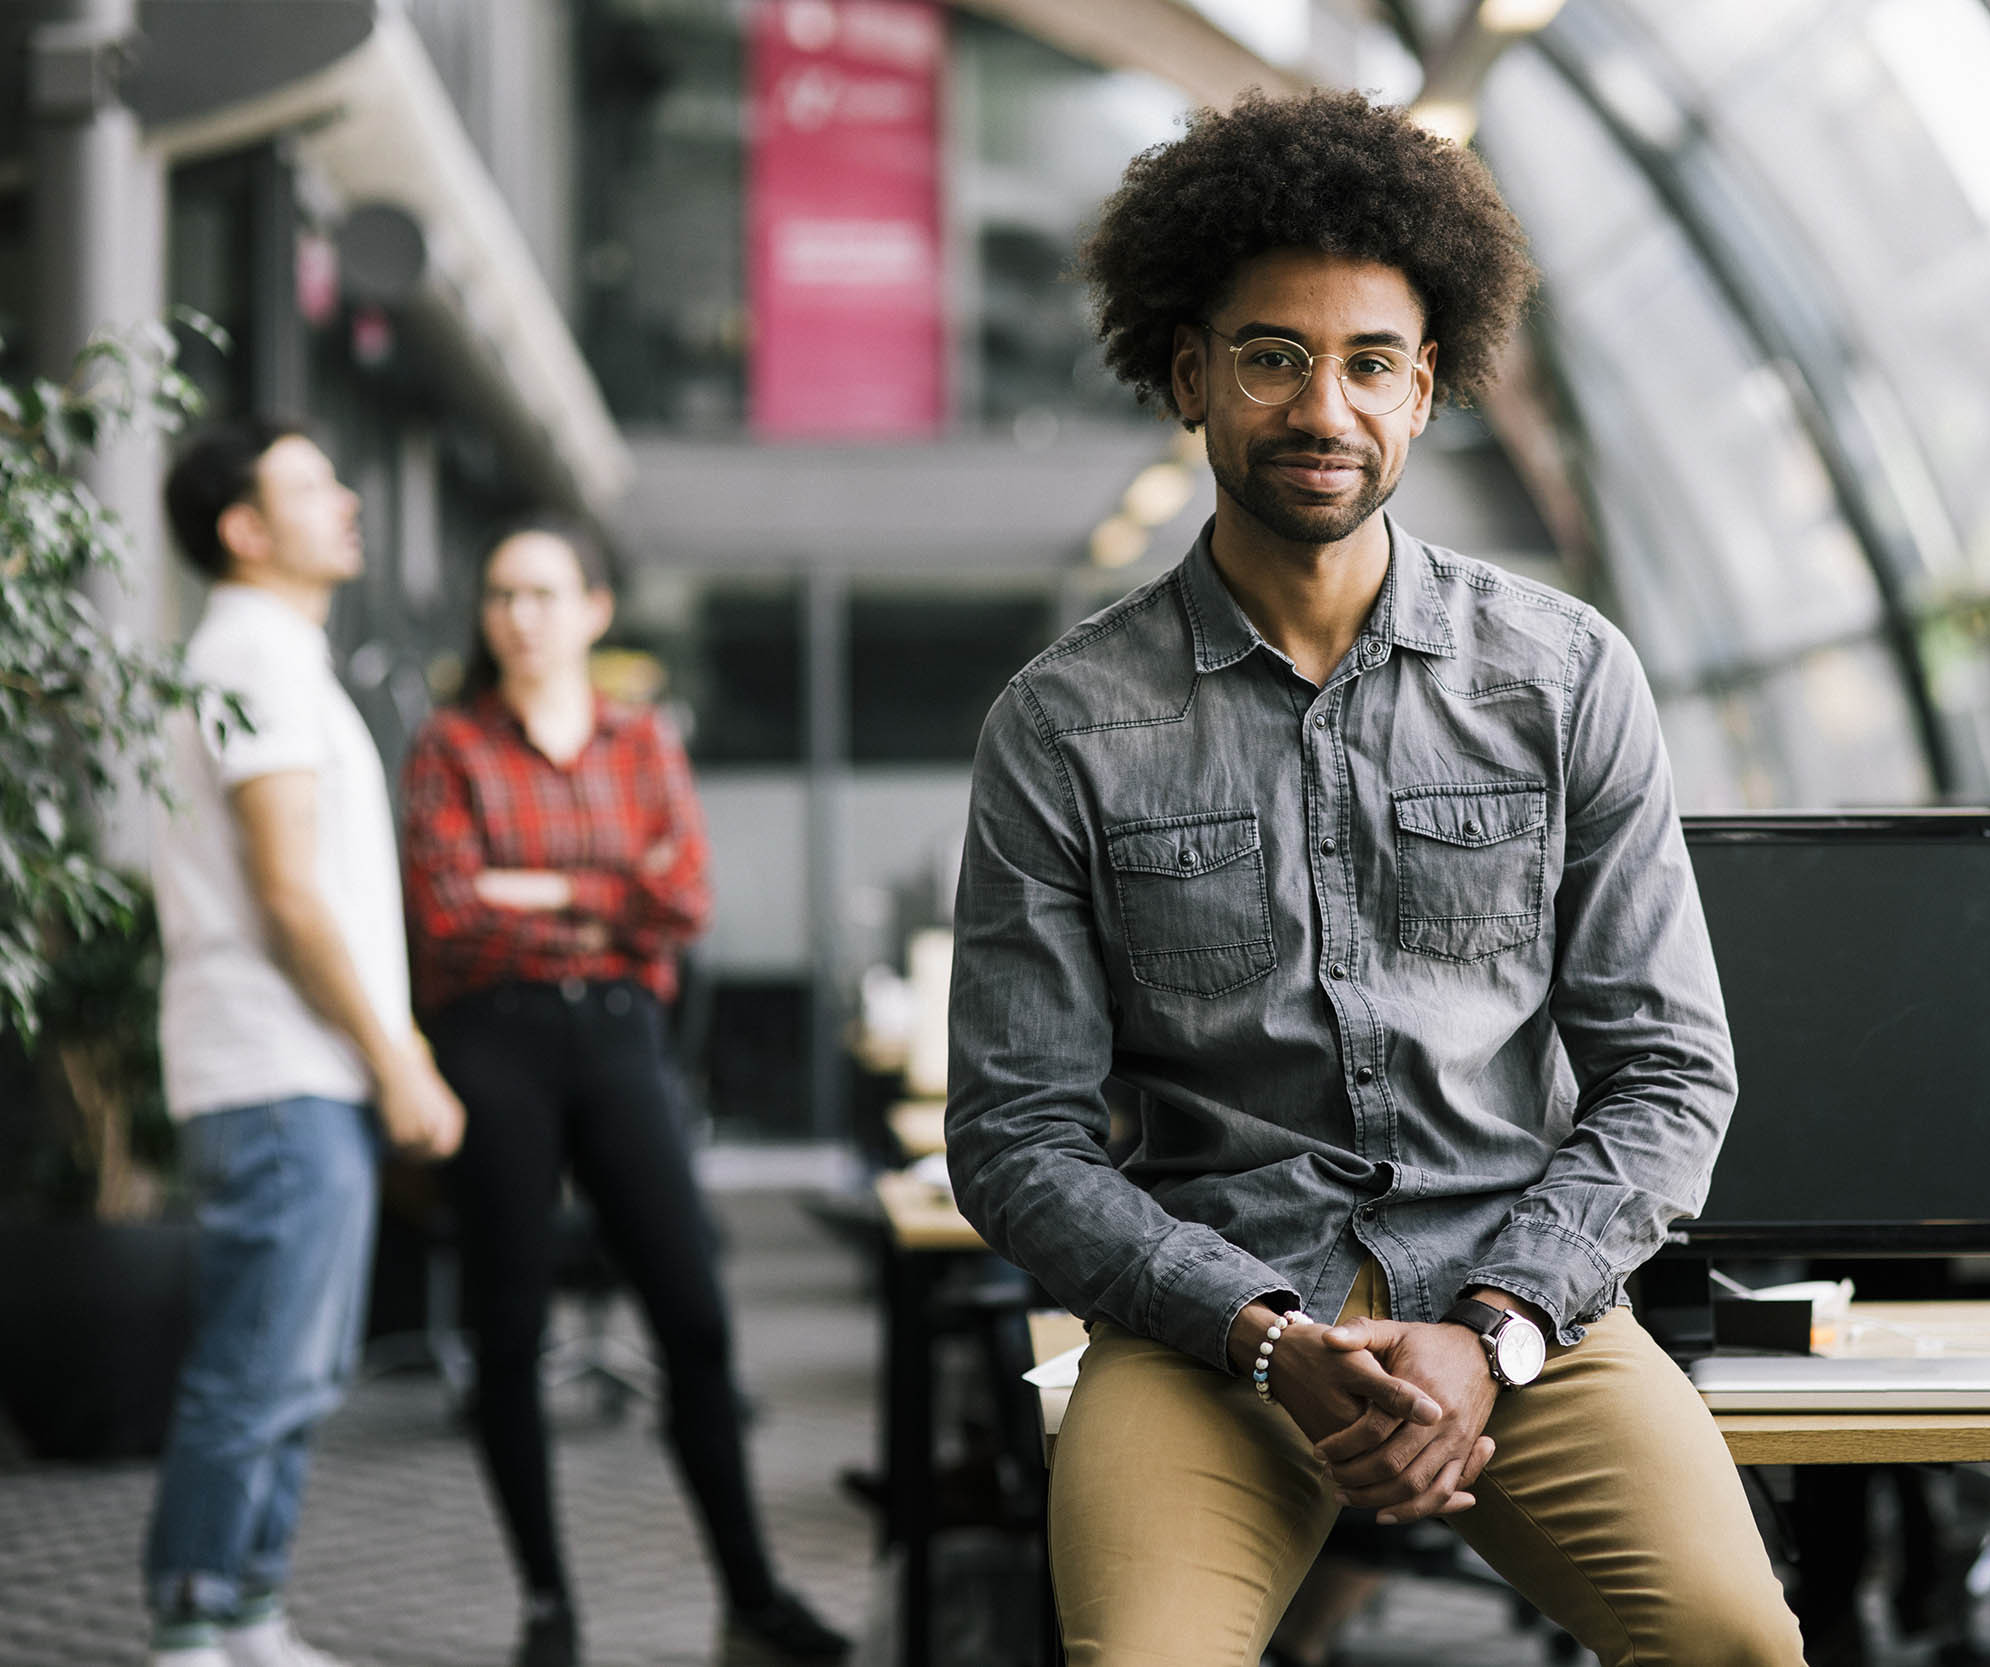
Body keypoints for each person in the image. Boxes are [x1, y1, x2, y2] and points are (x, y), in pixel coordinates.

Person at [945, 91, 1807, 1667]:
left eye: (1369, 364)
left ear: (1427, 390)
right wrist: (1266, 1335)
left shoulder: (1562, 677)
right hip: (1208, 1324)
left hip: (1517, 1303)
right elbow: (1014, 1135)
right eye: (1272, 356)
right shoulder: (1063, 724)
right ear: (1191, 374)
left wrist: (1498, 1329)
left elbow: (1671, 1070)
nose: (1320, 406)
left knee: (1736, 1641)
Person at [399, 522, 849, 1667]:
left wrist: (536, 884)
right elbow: (446, 911)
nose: (520, 613)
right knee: (506, 1329)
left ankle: (750, 1596)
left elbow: (682, 899)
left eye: (545, 591)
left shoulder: (640, 738)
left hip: (617, 1036)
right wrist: (607, 890)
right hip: (489, 1044)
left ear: (595, 609)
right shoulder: (449, 744)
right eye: (502, 591)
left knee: (694, 1316)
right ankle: (548, 1603)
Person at [146, 419, 468, 1667]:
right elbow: (288, 894)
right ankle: (190, 1616)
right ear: (244, 528)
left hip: (298, 1071)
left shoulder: (278, 654)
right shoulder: (257, 660)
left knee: (297, 1363)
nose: (346, 500)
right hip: (280, 1070)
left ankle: (243, 1610)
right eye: (312, 485)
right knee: (259, 1365)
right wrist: (399, 1060)